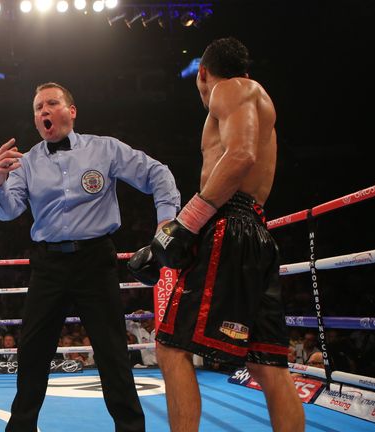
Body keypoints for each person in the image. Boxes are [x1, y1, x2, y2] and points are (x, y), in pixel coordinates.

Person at [131, 38, 305, 431]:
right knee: (268, 364)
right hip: (254, 229)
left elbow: (240, 156)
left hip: (229, 226)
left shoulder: (232, 89)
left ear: (203, 73)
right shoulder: (256, 99)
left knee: (171, 347)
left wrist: (185, 224)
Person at [0, 82, 180, 432]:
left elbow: (157, 173)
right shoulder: (26, 163)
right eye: (37, 108)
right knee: (32, 354)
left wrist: (165, 222)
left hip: (95, 260)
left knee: (112, 354)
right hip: (49, 264)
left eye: (51, 103)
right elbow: (7, 211)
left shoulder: (104, 149)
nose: (43, 111)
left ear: (71, 111)